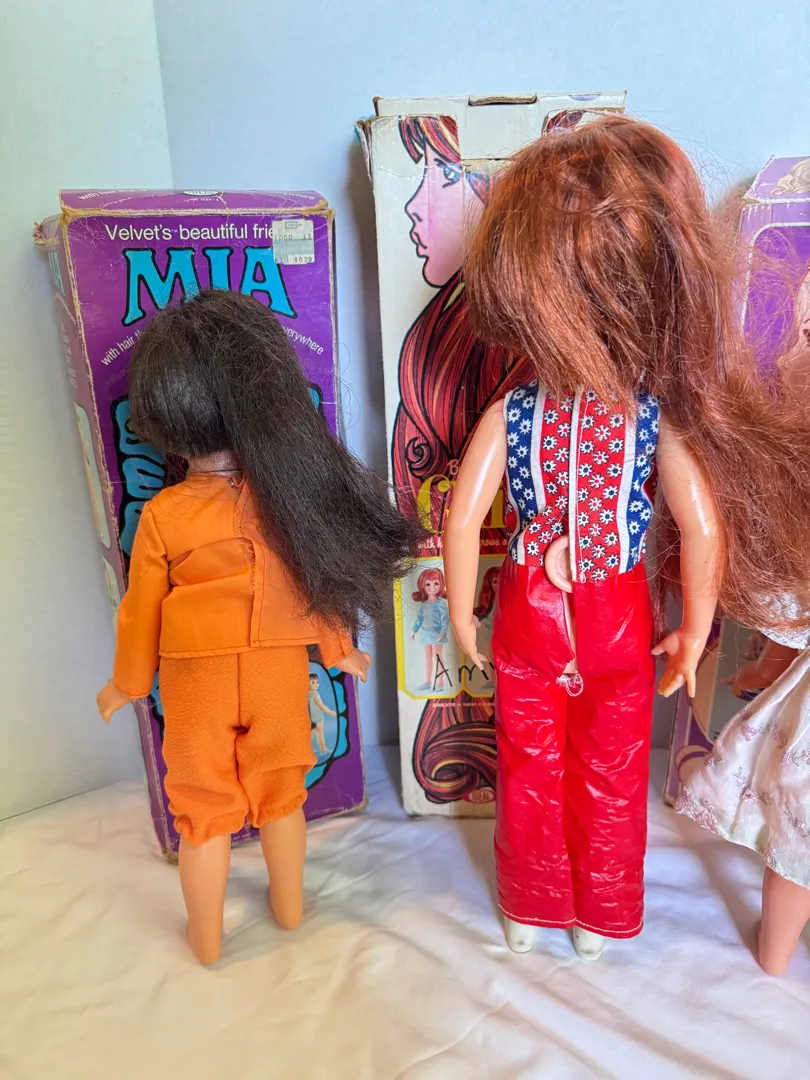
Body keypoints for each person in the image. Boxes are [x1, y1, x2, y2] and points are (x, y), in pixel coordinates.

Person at [444, 116, 810, 961]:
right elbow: (697, 524)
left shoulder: (640, 419)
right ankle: (541, 902)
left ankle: (589, 909)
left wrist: (694, 625)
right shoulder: (531, 414)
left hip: (599, 614)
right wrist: (693, 628)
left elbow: (702, 523)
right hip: (552, 612)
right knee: (542, 764)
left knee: (593, 767)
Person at [97, 290, 422, 964]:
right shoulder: (287, 501)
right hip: (276, 668)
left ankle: (207, 939)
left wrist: (128, 681)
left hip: (196, 678)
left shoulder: (165, 514)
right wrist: (338, 648)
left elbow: (141, 608)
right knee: (281, 796)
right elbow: (315, 577)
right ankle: (289, 908)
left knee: (203, 809)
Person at [308, 672, 336, 756]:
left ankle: (309, 750)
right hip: (318, 719)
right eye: (313, 682)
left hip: (310, 719)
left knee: (309, 735)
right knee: (320, 734)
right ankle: (323, 749)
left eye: (317, 682)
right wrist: (330, 712)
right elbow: (322, 706)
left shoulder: (306, 694)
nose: (316, 684)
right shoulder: (315, 694)